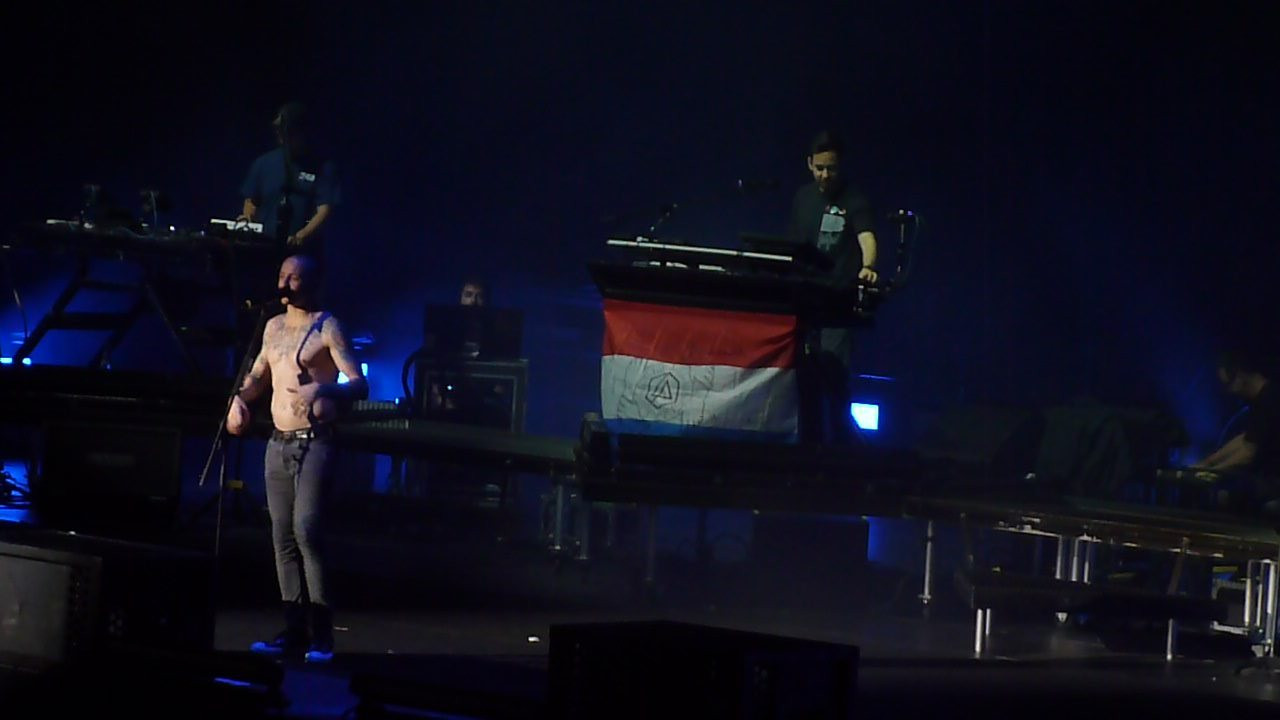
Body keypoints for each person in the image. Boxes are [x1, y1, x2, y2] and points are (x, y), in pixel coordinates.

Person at [226, 254, 368, 662]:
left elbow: (359, 384)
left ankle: (322, 634)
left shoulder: (328, 326)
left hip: (316, 442)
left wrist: (324, 390)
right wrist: (239, 399)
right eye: (282, 275)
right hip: (278, 443)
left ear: (311, 283)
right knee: (281, 535)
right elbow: (258, 376)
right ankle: (293, 630)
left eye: (295, 277)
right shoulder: (272, 327)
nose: (286, 283)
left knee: (306, 529)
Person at [786, 131, 880, 444]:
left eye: (831, 169)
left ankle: (841, 445)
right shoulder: (802, 198)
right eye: (820, 168)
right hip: (805, 301)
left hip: (837, 302)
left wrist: (868, 266)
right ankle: (809, 445)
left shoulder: (854, 199)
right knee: (804, 380)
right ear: (809, 164)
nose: (825, 175)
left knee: (834, 377)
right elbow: (793, 246)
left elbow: (867, 237)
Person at [238, 103, 340, 258]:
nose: (281, 135)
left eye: (286, 131)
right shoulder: (264, 163)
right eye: (279, 130)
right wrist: (247, 219)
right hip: (263, 246)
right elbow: (251, 200)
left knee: (292, 271)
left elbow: (324, 210)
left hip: (301, 252)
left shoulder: (322, 167)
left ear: (301, 131)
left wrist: (301, 236)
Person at [1191, 349, 1280, 518]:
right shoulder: (1262, 399)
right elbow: (1246, 439)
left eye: (1228, 384)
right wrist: (1208, 462)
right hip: (1270, 480)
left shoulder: (1271, 399)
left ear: (1240, 377)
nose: (1229, 391)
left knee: (1229, 495)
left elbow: (1248, 452)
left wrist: (1213, 472)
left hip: (1275, 482)